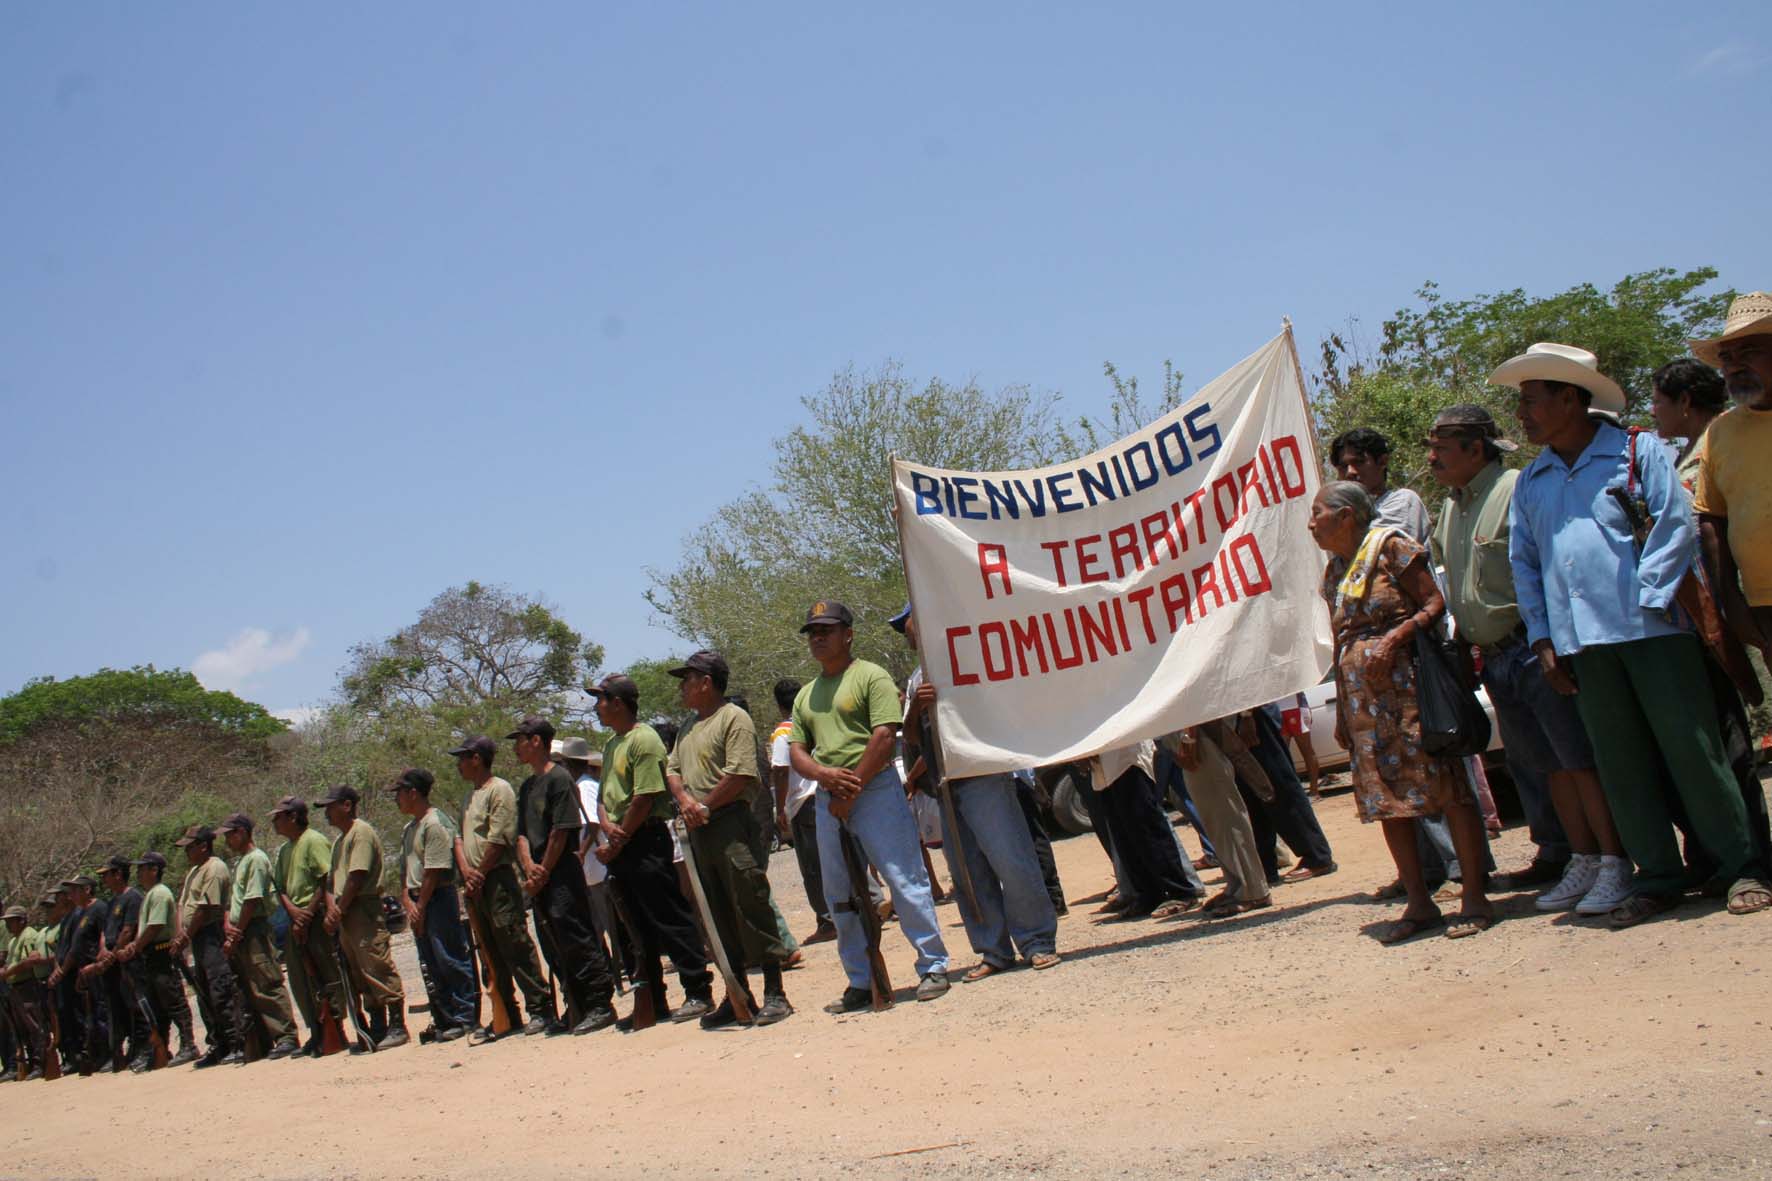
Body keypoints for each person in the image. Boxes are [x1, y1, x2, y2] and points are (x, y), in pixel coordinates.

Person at [1499, 342, 1772, 924]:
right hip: (1583, 644)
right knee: (1621, 764)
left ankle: (1743, 866)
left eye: (1531, 400)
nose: (1521, 415)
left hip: (1655, 632)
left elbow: (1677, 525)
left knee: (1694, 752)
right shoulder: (1533, 480)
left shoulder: (1633, 451)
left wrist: (1645, 597)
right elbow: (1525, 562)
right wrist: (1544, 639)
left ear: (1570, 399)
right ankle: (1660, 874)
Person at [1425, 404, 1626, 910]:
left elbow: (1545, 566)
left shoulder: (1517, 488)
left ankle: (1615, 863)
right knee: (1545, 764)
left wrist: (1548, 641)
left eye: (1441, 448)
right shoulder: (1451, 506)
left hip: (1534, 646)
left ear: (1475, 449)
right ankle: (1581, 859)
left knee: (1578, 759)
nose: (1431, 458)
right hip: (1492, 658)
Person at [1308, 480, 1494, 940]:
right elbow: (1342, 636)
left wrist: (1394, 638)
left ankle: (1474, 896)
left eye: (1318, 513)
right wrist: (1347, 715)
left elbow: (1434, 602)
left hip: (1412, 692)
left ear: (1347, 515)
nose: (1311, 524)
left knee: (1446, 788)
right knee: (1387, 801)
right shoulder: (1336, 570)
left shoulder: (1391, 547)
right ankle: (1418, 901)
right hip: (1366, 705)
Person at [787, 599, 951, 1012]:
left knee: (903, 877)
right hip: (829, 797)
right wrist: (824, 778)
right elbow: (797, 751)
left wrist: (852, 787)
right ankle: (861, 980)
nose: (818, 638)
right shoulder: (806, 694)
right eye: (813, 632)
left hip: (873, 789)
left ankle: (933, 965)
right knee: (839, 893)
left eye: (827, 630)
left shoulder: (870, 677)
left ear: (848, 634)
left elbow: (884, 736)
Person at [894, 606, 1060, 978]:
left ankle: (1036, 941)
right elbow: (914, 737)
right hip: (945, 784)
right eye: (908, 635)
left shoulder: (970, 661)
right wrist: (916, 707)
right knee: (968, 873)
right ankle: (993, 949)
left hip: (982, 774)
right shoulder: (915, 680)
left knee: (1012, 861)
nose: (911, 636)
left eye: (915, 629)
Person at [666, 650, 796, 1025]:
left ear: (706, 682)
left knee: (749, 902)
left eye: (687, 680)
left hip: (729, 823)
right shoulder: (688, 726)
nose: (683, 688)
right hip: (698, 827)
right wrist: (686, 801)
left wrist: (703, 805)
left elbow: (739, 774)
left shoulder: (733, 719)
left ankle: (775, 992)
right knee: (715, 912)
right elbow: (672, 769)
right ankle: (736, 993)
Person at [508, 715, 618, 1034]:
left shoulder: (559, 778)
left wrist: (542, 870)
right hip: (540, 876)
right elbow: (522, 834)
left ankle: (599, 1002)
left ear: (537, 742)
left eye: (521, 740)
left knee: (576, 936)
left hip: (562, 874)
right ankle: (576, 1003)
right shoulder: (528, 786)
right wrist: (529, 866)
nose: (516, 747)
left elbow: (562, 829)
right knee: (551, 940)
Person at [450, 735, 555, 1043]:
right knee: (489, 951)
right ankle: (507, 1012)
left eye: (462, 758)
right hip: (475, 883)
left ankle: (540, 1006)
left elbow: (500, 838)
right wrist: (467, 873)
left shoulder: (500, 790)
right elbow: (460, 838)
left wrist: (479, 873)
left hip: (496, 879)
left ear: (477, 759)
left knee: (514, 941)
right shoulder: (470, 797)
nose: (458, 765)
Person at [1691, 292, 1772, 661]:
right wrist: (1731, 602)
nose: (1735, 366)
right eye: (1727, 357)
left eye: (1749, 351)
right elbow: (1711, 521)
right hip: (1763, 605)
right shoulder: (1720, 432)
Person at [318, 785, 410, 1049]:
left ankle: (397, 1025)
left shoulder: (361, 832)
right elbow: (331, 880)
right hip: (345, 912)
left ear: (346, 805)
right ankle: (377, 1025)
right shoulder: (339, 841)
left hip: (362, 908)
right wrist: (332, 910)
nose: (327, 812)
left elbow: (356, 876)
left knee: (376, 963)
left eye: (330, 806)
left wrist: (338, 909)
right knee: (359, 971)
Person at [390, 768, 476, 1042]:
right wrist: (407, 899)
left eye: (399, 793)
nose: (397, 800)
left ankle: (465, 1017)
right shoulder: (410, 828)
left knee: (449, 957)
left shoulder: (435, 823)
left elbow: (435, 869)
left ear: (413, 793)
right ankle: (444, 1017)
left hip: (437, 898)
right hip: (418, 900)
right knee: (429, 962)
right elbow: (406, 870)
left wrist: (421, 905)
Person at [216, 812, 300, 1059]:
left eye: (230, 835)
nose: (227, 841)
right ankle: (267, 1037)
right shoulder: (242, 861)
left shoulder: (256, 859)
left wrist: (237, 932)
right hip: (243, 929)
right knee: (250, 985)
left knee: (267, 981)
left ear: (242, 832)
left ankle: (286, 1035)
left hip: (254, 928)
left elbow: (252, 900)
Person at [1086, 740, 1202, 920]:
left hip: (1126, 757)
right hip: (1102, 767)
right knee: (1124, 834)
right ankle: (1149, 894)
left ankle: (1181, 891)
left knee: (1148, 829)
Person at [268, 796, 347, 1056]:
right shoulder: (284, 850)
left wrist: (308, 912)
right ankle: (316, 1030)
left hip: (314, 918)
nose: (274, 822)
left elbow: (325, 878)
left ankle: (336, 1026)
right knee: (301, 979)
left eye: (279, 816)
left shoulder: (313, 840)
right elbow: (279, 886)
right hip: (294, 919)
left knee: (326, 973)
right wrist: (292, 911)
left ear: (293, 817)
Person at [1166, 721, 1272, 916]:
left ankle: (1253, 890)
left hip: (1199, 736)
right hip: (1183, 736)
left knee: (1227, 816)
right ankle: (1236, 886)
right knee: (1214, 820)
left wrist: (1189, 739)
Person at [169, 825, 246, 1066]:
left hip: (210, 934)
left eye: (190, 847)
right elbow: (184, 905)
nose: (187, 852)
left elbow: (205, 908)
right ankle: (218, 1042)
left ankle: (237, 1042)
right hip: (196, 937)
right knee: (203, 992)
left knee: (220, 988)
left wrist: (185, 937)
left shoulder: (215, 867)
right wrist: (181, 933)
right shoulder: (194, 871)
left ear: (204, 845)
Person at [118, 851, 197, 1067]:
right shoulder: (150, 894)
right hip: (151, 954)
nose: (139, 873)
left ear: (154, 870)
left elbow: (156, 926)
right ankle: (161, 1049)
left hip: (161, 951)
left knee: (174, 1001)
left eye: (143, 868)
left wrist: (134, 946)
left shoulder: (160, 893)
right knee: (156, 1005)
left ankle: (189, 1044)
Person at [770, 678, 835, 944]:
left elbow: (780, 770)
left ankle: (828, 921)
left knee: (813, 867)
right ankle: (868, 901)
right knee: (835, 856)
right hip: (823, 794)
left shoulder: (783, 732)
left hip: (801, 803)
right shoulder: (813, 721)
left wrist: (781, 807)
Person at [91, 854, 149, 1071]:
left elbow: (128, 930)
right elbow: (107, 932)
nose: (104, 879)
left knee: (138, 1005)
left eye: (107, 874)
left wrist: (111, 955)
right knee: (121, 1008)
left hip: (130, 961)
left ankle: (145, 1048)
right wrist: (104, 950)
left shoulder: (132, 897)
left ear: (118, 874)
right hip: (115, 964)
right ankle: (130, 1050)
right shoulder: (113, 901)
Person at [3, 905, 54, 1079]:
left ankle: (42, 1063)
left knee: (35, 1025)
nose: (8, 925)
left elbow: (29, 961)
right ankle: (32, 1062)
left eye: (11, 921)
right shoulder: (13, 940)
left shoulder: (29, 935)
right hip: (16, 988)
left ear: (22, 921)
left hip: (28, 985)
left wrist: (7, 972)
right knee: (23, 1028)